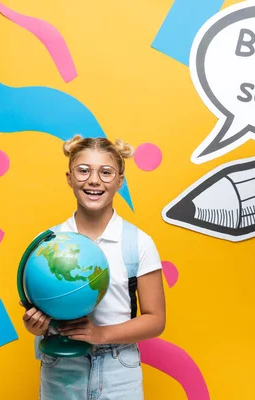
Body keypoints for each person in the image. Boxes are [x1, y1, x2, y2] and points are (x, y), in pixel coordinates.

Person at [20, 134, 166, 399]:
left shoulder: (138, 242)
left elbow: (156, 320)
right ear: (69, 178)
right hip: (61, 369)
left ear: (120, 181)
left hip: (119, 369)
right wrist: (37, 327)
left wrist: (100, 334)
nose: (94, 180)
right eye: (83, 170)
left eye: (106, 172)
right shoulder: (46, 244)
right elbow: (39, 310)